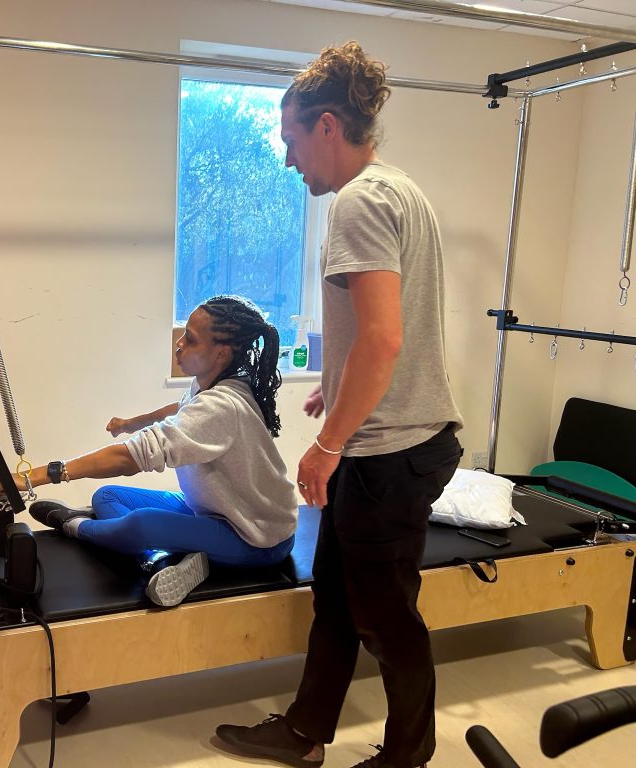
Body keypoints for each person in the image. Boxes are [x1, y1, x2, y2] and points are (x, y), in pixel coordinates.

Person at [215, 42, 463, 768]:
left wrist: (327, 445)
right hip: (386, 434)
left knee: (386, 617)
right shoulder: (398, 189)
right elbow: (384, 334)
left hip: (393, 448)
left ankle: (407, 756)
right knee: (335, 595)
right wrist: (340, 382)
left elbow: (384, 340)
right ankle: (304, 731)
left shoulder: (358, 202)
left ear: (327, 127)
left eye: (292, 139)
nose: (290, 160)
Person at [0, 295, 298, 607]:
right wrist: (131, 423)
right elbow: (180, 408)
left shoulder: (221, 406)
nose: (179, 345)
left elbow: (128, 458)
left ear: (221, 353)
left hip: (255, 536)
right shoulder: (213, 384)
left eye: (190, 339)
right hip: (211, 510)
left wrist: (35, 477)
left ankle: (73, 524)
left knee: (143, 523)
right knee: (107, 497)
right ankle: (160, 557)